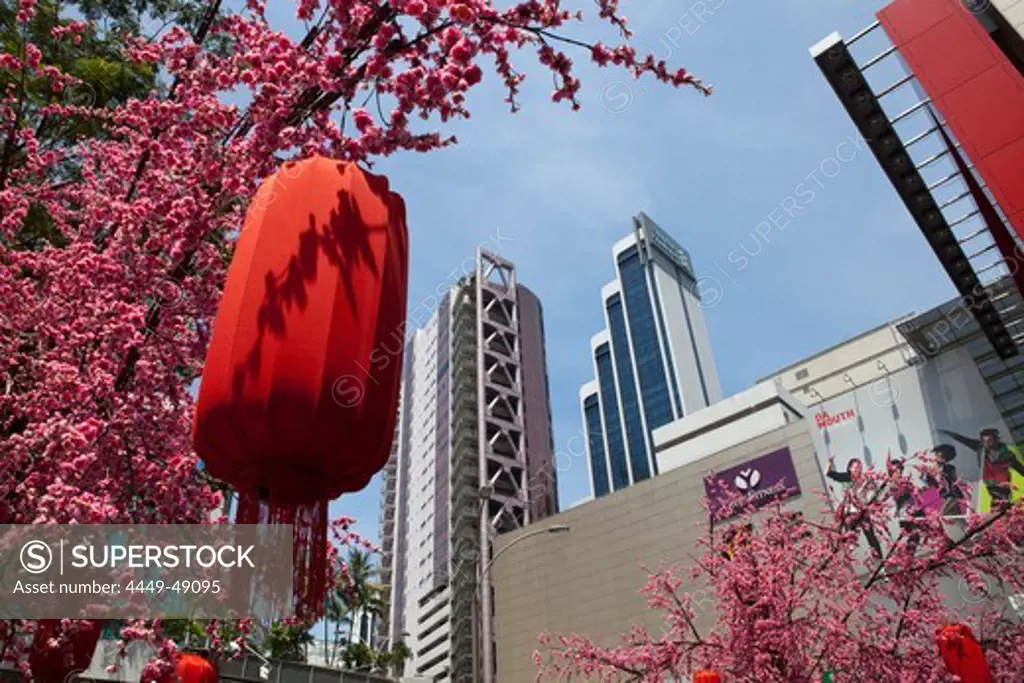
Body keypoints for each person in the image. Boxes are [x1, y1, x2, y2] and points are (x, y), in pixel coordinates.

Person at [939, 428, 1024, 510]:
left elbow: (1019, 467)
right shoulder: (980, 447)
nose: (987, 443)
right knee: (998, 506)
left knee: (1001, 505)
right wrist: (948, 433)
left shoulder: (1006, 453)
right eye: (985, 441)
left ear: (996, 439)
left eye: (990, 440)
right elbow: (963, 440)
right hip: (989, 483)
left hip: (1001, 483)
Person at [827, 456, 883, 558]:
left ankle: (879, 560)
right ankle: (846, 546)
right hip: (850, 511)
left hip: (862, 510)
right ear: (850, 468)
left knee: (871, 536)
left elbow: (876, 488)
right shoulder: (846, 477)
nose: (858, 470)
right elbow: (829, 473)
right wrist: (830, 462)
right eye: (856, 467)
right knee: (848, 531)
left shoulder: (865, 478)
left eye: (860, 468)